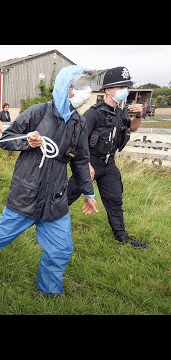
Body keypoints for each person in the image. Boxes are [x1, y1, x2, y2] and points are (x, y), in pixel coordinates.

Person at [0, 65, 99, 296]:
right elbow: (6, 140)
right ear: (65, 88)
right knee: (0, 236)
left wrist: (89, 193)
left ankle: (50, 293)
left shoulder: (79, 123)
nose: (85, 93)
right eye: (80, 87)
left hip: (55, 198)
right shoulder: (37, 112)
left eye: (88, 88)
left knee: (61, 250)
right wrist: (28, 140)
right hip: (26, 194)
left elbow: (81, 159)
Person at [67, 66, 148, 248]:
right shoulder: (93, 113)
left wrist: (139, 115)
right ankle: (47, 218)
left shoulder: (120, 112)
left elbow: (132, 127)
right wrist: (86, 164)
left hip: (109, 164)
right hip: (90, 162)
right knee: (69, 194)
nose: (124, 91)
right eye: (120, 87)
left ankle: (122, 237)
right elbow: (79, 141)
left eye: (126, 87)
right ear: (108, 90)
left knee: (115, 200)